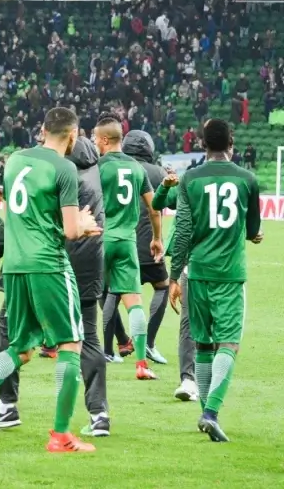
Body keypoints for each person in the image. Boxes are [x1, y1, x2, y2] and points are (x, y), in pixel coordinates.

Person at [0, 107, 102, 454]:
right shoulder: (64, 168)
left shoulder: (16, 160)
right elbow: (71, 231)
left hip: (15, 266)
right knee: (71, 345)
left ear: (42, 130)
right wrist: (84, 225)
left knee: (20, 349)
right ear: (73, 136)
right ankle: (61, 434)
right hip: (49, 265)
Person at [0, 136, 111, 437]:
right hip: (89, 262)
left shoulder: (48, 167)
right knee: (86, 337)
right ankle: (99, 414)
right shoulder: (95, 171)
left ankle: (5, 405)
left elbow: (24, 218)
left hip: (42, 263)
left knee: (12, 335)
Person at [169, 118, 262, 442]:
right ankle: (210, 413)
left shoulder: (190, 179)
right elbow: (253, 230)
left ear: (202, 144)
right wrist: (253, 235)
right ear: (231, 144)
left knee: (204, 344)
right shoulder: (248, 179)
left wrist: (174, 276)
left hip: (196, 273)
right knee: (229, 343)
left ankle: (208, 415)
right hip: (229, 275)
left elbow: (183, 230)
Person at [94, 114, 163, 380]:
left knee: (87, 296)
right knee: (134, 302)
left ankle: (81, 353)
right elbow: (154, 207)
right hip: (127, 241)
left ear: (104, 139)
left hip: (100, 239)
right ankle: (141, 364)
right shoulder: (136, 168)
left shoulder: (98, 166)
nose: (94, 143)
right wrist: (157, 238)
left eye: (95, 138)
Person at [152, 168, 198, 401]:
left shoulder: (194, 182)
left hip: (203, 263)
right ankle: (190, 379)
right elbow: (158, 202)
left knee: (195, 324)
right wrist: (165, 186)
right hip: (199, 264)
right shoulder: (188, 183)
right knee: (192, 324)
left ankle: (194, 379)